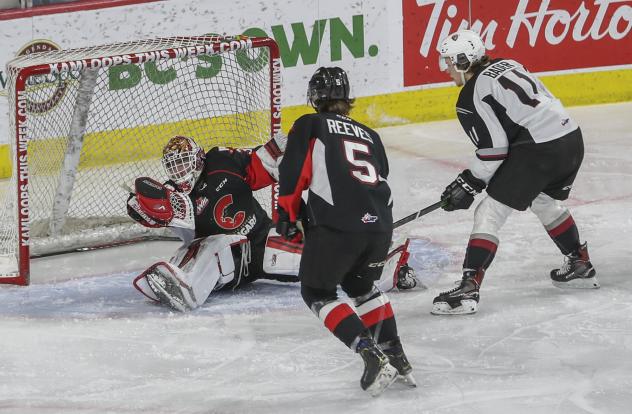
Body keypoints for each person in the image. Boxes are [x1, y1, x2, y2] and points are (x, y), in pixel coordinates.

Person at [431, 29, 599, 316]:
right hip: (570, 138)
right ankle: (579, 263)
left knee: (489, 213)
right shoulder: (509, 63)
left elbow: (495, 150)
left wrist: (469, 182)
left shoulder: (470, 95)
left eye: (448, 62)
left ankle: (468, 289)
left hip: (540, 149)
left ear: (462, 61)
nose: (445, 69)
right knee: (544, 200)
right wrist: (474, 180)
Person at [276, 67, 415, 397]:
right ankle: (397, 355)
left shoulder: (309, 125)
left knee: (317, 292)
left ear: (315, 98)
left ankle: (371, 355)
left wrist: (287, 213)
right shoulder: (371, 135)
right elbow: (378, 173)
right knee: (362, 287)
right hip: (379, 228)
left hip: (338, 228)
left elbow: (292, 172)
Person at [126, 133, 299, 311]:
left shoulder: (221, 161)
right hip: (226, 262)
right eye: (174, 166)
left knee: (312, 261)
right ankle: (185, 284)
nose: (179, 170)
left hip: (261, 238)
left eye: (183, 162)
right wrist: (142, 210)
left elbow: (259, 165)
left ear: (198, 158)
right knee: (217, 242)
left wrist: (283, 153)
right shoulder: (172, 195)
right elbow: (158, 217)